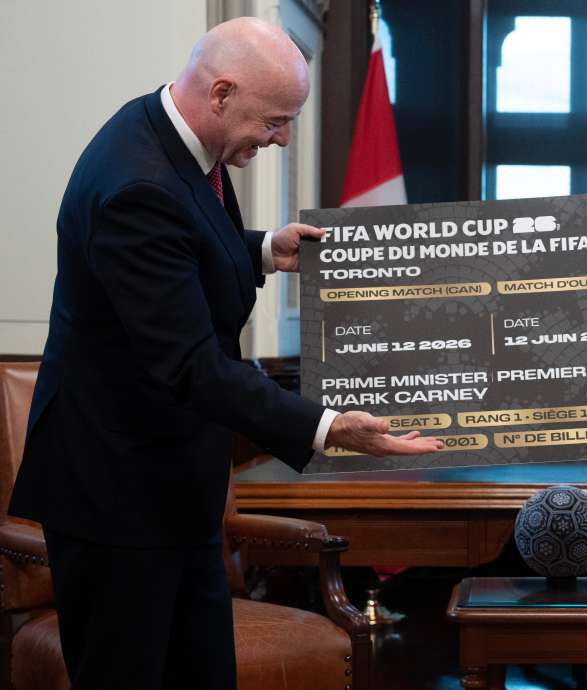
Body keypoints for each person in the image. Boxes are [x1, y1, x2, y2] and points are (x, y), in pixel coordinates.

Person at [8, 17, 443, 690]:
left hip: (172, 487)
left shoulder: (170, 137)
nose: (283, 139)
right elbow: (191, 364)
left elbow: (180, 252)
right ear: (221, 93)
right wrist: (328, 427)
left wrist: (264, 247)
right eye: (274, 121)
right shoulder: (136, 185)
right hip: (116, 500)